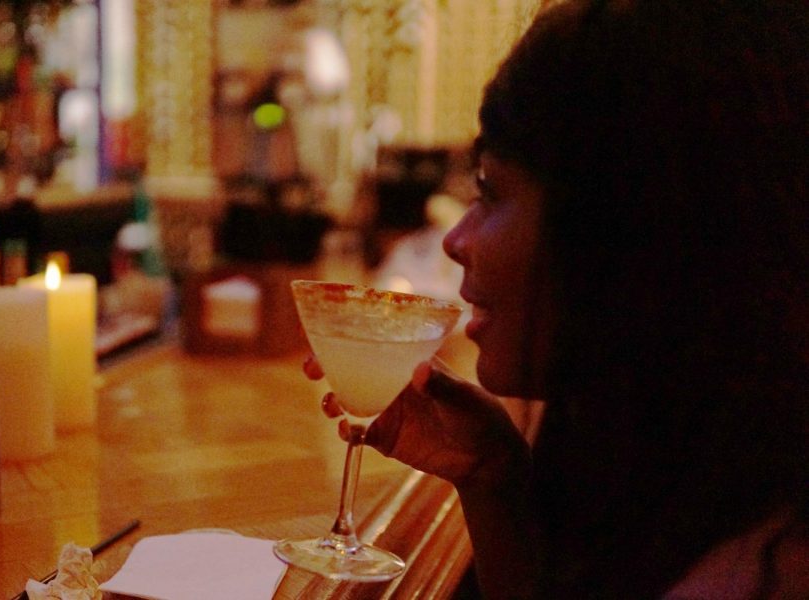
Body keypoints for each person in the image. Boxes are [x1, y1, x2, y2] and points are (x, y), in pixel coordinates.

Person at [305, 1, 808, 598]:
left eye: (489, 192)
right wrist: (491, 474)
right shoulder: (696, 481)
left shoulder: (759, 570)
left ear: (625, 221)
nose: (455, 239)